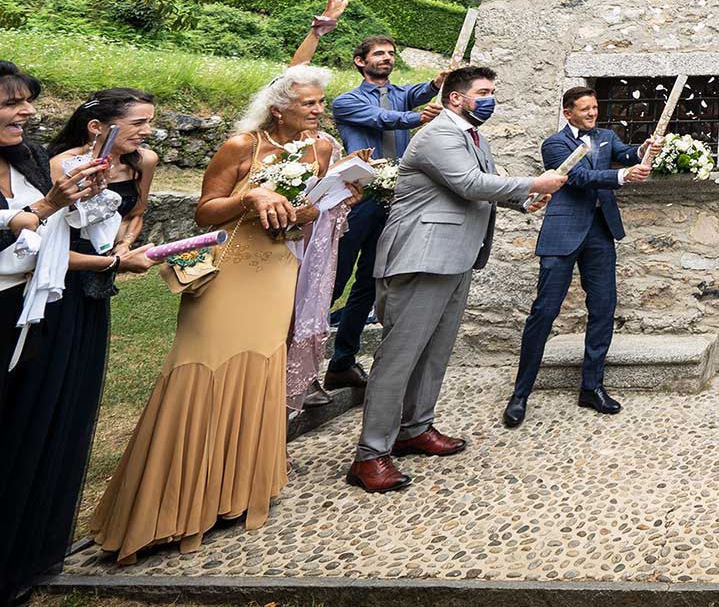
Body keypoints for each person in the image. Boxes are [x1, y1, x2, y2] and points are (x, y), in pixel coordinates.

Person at [88, 66, 343, 563]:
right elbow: (205, 210)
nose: (318, 111)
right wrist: (249, 197)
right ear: (279, 107)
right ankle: (172, 507)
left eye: (319, 103)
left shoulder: (322, 148)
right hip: (226, 272)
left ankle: (237, 493)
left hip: (278, 271)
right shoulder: (240, 146)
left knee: (259, 371)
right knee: (200, 370)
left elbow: (314, 209)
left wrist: (314, 207)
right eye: (309, 103)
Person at [347, 66, 563, 493]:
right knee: (399, 356)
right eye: (483, 92)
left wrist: (525, 201)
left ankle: (414, 428)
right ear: (455, 98)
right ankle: (370, 454)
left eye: (493, 92)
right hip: (421, 257)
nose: (490, 99)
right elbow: (468, 183)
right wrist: (536, 180)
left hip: (455, 257)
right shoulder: (439, 135)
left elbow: (481, 188)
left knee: (435, 352)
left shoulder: (473, 136)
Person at [1, 65, 152, 604]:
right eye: (11, 103)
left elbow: (45, 236)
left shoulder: (30, 161)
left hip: (36, 302)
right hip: (20, 302)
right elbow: (27, 227)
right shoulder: (51, 169)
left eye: (27, 103)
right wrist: (54, 210)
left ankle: (21, 549)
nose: (26, 113)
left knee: (38, 420)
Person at [503, 86, 660, 427]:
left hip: (600, 233)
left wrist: (642, 150)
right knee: (544, 312)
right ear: (568, 112)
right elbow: (577, 177)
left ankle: (592, 387)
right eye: (585, 109)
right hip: (563, 233)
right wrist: (621, 176)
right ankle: (520, 394)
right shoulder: (554, 143)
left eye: (595, 107)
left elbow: (627, 154)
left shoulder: (605, 136)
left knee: (603, 309)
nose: (592, 113)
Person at [324, 33, 442, 393]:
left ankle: (342, 361)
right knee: (332, 281)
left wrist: (439, 83)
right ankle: (296, 363)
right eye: (379, 54)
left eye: (391, 53)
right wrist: (416, 116)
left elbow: (421, 93)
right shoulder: (347, 101)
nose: (387, 58)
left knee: (370, 284)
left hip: (394, 199)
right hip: (358, 198)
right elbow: (384, 118)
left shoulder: (403, 93)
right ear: (361, 61)